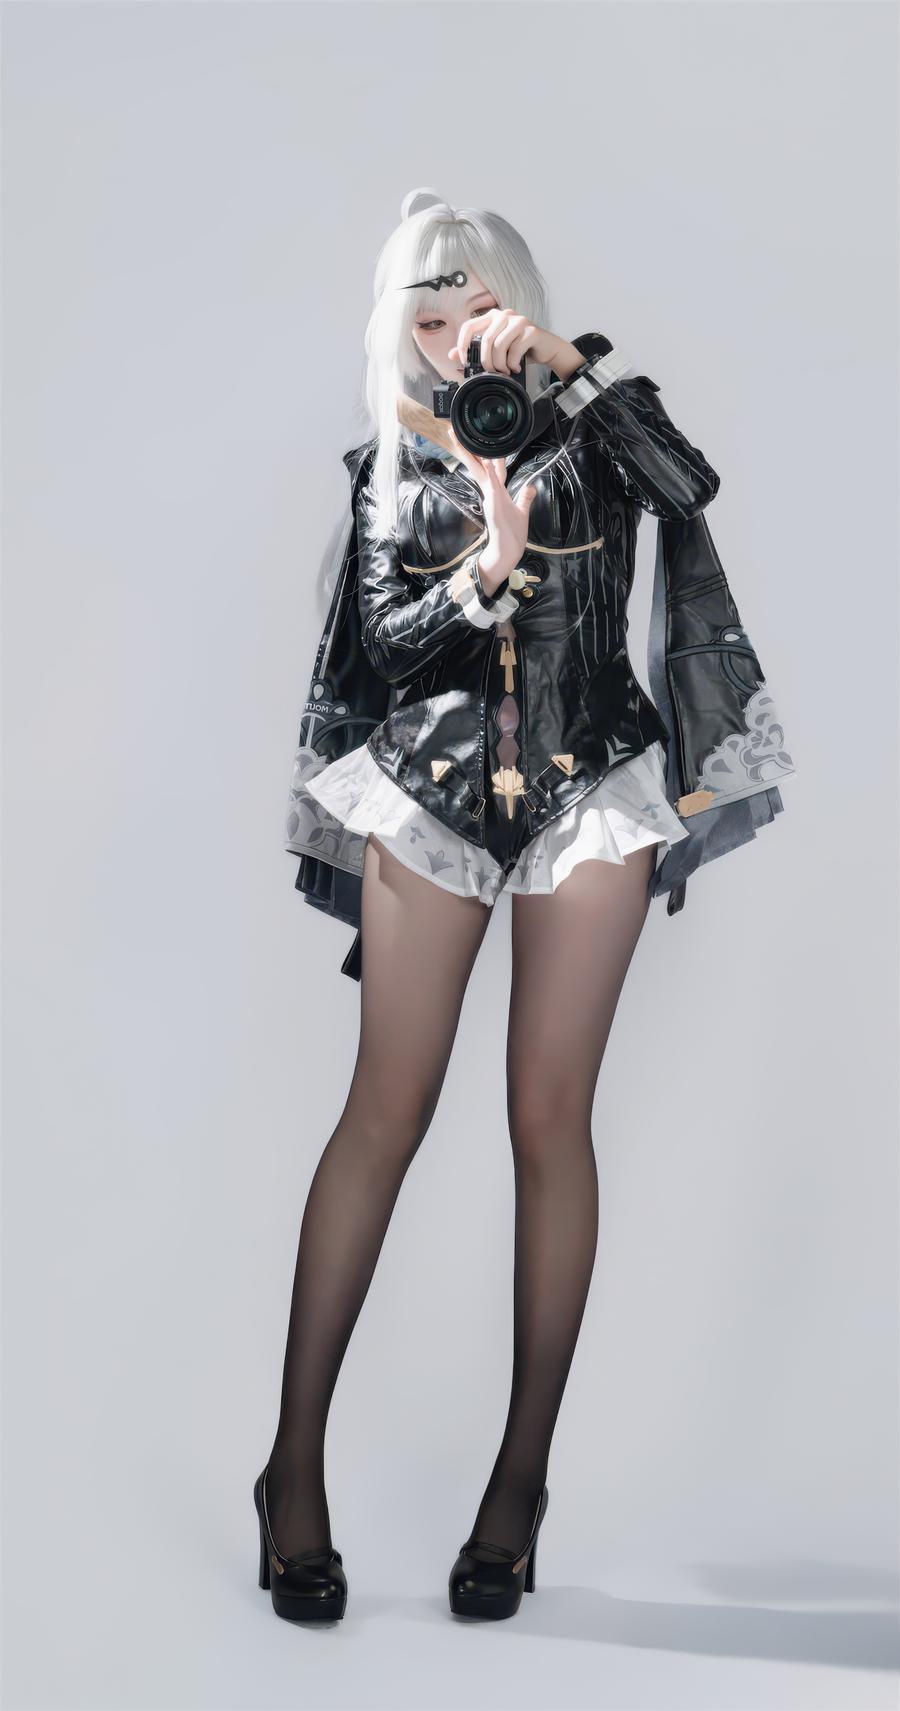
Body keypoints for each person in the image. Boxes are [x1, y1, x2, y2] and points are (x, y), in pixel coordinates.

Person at [257, 188, 795, 1624]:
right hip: (430, 793)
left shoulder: (597, 439)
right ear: (398, 327)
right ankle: (291, 1470)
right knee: (385, 1113)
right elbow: (387, 644)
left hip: (588, 789)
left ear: (520, 308)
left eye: (476, 312)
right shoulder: (390, 468)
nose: (453, 342)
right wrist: (487, 571)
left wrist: (567, 367)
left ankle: (518, 1487)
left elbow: (690, 488)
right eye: (426, 318)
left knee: (550, 1120)